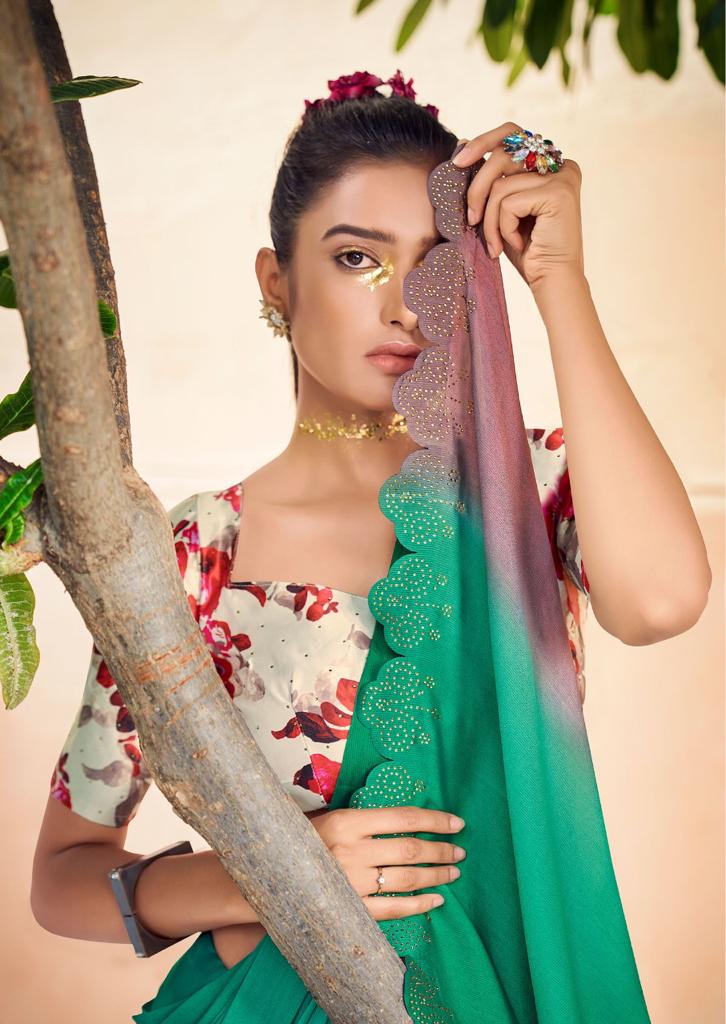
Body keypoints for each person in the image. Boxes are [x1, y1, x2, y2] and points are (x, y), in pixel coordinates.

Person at [32, 69, 707, 1023]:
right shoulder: (191, 550)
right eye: (357, 258)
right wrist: (271, 876)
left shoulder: (533, 487)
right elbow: (62, 877)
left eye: (440, 265)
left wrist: (558, 281)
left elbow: (662, 601)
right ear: (276, 281)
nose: (406, 305)